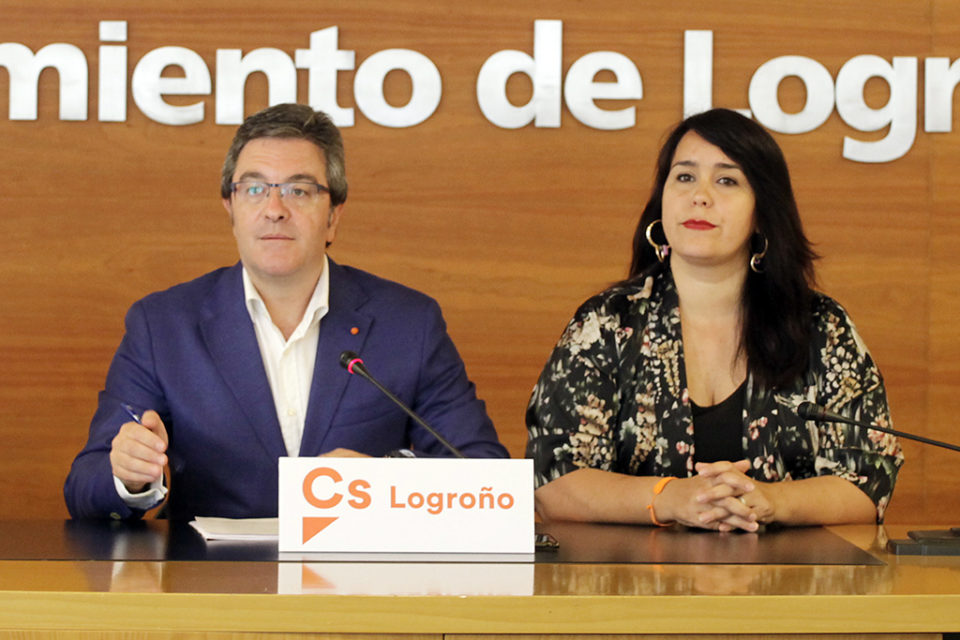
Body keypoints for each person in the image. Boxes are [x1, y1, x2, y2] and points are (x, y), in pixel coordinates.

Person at [65, 103, 507, 521]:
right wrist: (128, 475)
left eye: (299, 190)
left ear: (333, 215)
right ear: (231, 208)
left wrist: (387, 481)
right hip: (214, 590)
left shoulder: (409, 324)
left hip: (358, 588)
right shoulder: (162, 326)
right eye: (255, 189)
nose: (274, 210)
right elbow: (85, 487)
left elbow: (486, 475)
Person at [526, 108, 903, 532]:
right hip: (633, 587)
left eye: (727, 180)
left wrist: (768, 500)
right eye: (684, 177)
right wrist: (669, 498)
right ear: (661, 200)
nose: (700, 195)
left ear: (762, 209)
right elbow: (551, 477)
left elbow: (869, 477)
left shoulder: (821, 327)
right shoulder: (609, 324)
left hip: (791, 589)